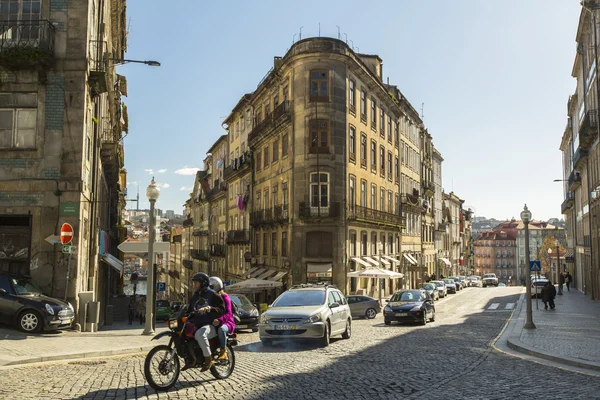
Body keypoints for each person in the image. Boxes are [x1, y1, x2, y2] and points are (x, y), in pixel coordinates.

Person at [185, 272, 225, 371]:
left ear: (203, 283)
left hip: (210, 325)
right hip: (197, 324)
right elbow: (189, 310)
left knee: (200, 334)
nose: (194, 285)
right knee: (183, 335)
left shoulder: (212, 294)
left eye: (196, 283)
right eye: (193, 283)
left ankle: (208, 359)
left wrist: (209, 308)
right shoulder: (194, 297)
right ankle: (190, 359)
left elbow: (221, 309)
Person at [209, 276, 235, 360]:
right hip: (215, 322)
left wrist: (220, 320)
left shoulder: (225, 297)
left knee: (221, 330)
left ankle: (223, 351)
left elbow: (229, 313)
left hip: (227, 322)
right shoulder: (212, 298)